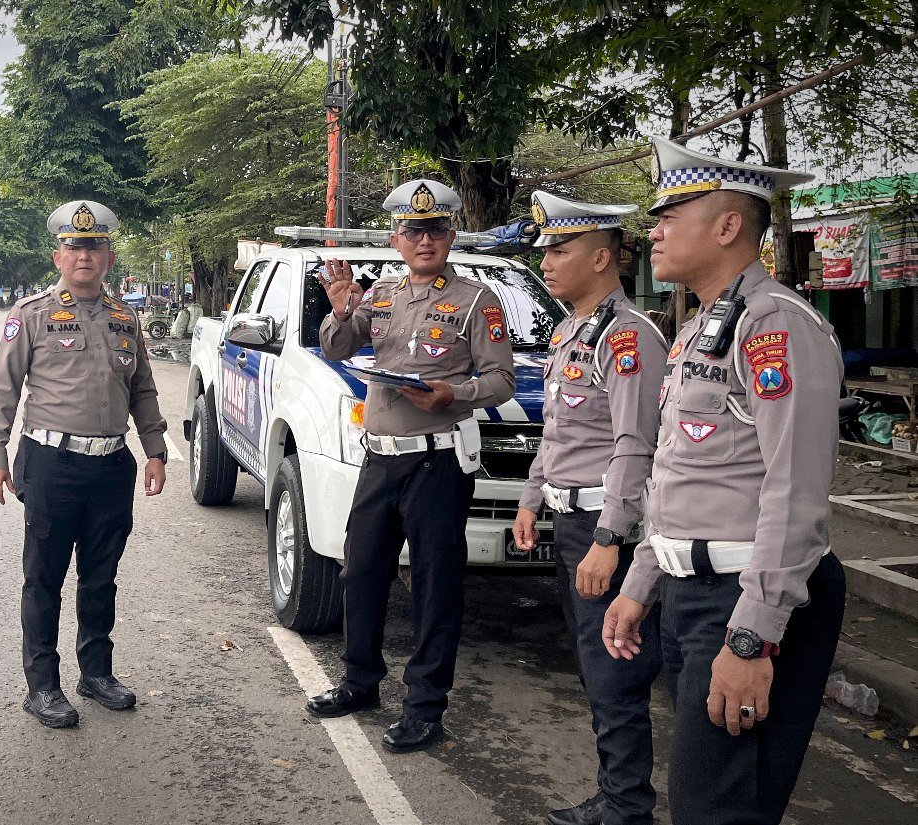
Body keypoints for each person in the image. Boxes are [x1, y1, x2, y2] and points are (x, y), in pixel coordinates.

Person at [602, 137, 842, 825]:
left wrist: (753, 638)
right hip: (692, 591)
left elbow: (796, 493)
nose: (655, 229)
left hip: (747, 598)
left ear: (729, 225)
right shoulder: (701, 329)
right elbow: (678, 472)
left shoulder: (775, 326)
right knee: (713, 800)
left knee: (717, 806)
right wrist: (641, 582)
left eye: (671, 213)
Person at [311, 179, 516, 752]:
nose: (424, 240)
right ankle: (360, 682)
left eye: (435, 230)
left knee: (434, 587)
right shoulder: (382, 294)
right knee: (361, 572)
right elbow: (337, 348)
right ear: (396, 239)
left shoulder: (479, 300)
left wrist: (453, 394)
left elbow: (501, 379)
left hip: (438, 462)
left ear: (450, 235)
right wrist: (340, 308)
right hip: (380, 459)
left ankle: (426, 706)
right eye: (412, 230)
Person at [0, 200, 169, 729]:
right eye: (74, 246)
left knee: (100, 576)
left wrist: (155, 449)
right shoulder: (32, 314)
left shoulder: (124, 317)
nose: (84, 256)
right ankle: (42, 685)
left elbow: (143, 389)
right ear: (58, 255)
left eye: (94, 246)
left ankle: (96, 673)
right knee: (43, 578)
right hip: (50, 462)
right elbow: (3, 391)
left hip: (111, 465)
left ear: (108, 255)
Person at [512, 191, 667, 825]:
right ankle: (618, 792)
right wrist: (530, 498)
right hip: (571, 520)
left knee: (614, 670)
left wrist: (609, 537)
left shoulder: (628, 338)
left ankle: (626, 804)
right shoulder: (573, 329)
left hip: (610, 527)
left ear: (603, 258)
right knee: (596, 663)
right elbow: (559, 431)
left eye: (560, 249)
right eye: (545, 249)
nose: (546, 261)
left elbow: (636, 444)